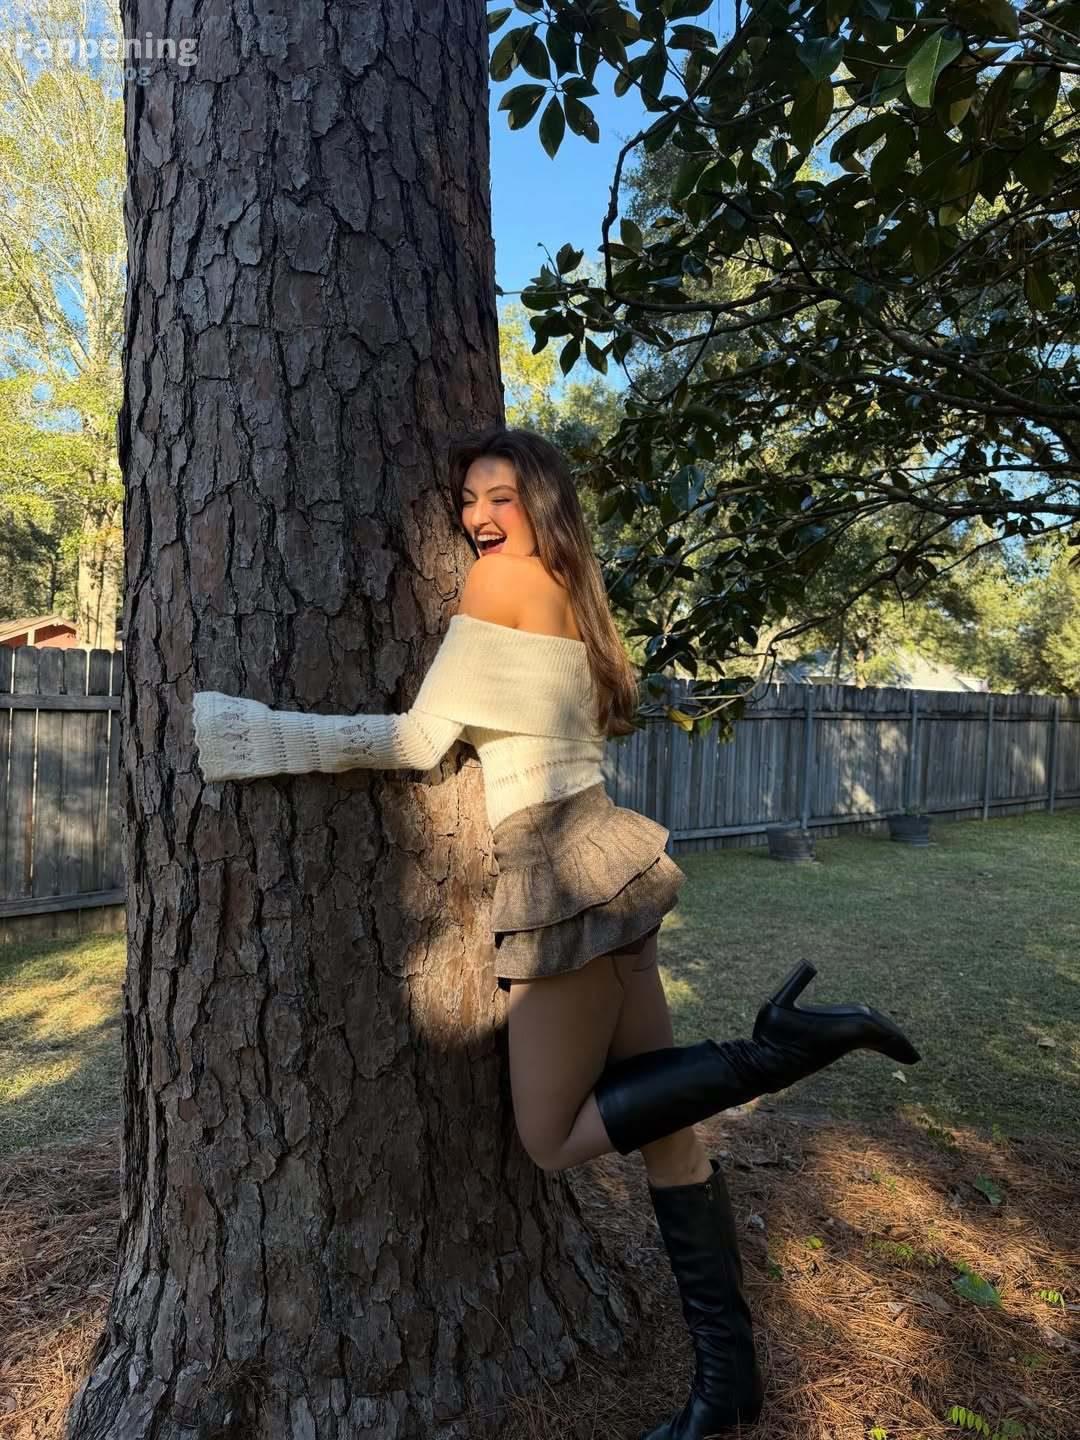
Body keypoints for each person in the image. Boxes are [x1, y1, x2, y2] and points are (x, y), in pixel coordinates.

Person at [190, 426, 921, 1440]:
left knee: (548, 1138)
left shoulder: (498, 585)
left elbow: (416, 742)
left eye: (499, 496)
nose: (478, 518)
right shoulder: (576, 592)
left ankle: (780, 1048)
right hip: (606, 854)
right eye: (468, 501)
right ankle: (729, 1385)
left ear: (540, 500)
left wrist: (251, 735)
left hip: (556, 871)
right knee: (670, 1140)